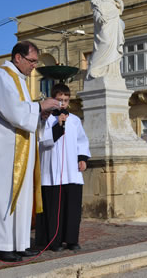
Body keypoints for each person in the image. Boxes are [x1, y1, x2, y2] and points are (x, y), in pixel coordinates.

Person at [0, 41, 61, 262]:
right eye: (32, 61)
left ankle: (19, 243)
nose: (34, 66)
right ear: (18, 58)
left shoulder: (18, 79)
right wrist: (39, 106)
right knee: (3, 195)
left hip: (19, 148)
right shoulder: (1, 76)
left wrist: (41, 115)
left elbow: (24, 114)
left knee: (20, 196)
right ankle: (1, 244)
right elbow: (11, 110)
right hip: (2, 150)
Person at [35, 84, 91, 252]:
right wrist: (58, 126)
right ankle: (54, 240)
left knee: (72, 208)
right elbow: (43, 140)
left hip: (72, 172)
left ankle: (72, 239)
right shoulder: (45, 119)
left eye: (66, 100)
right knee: (54, 209)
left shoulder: (74, 120)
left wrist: (82, 158)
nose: (63, 104)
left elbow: (82, 140)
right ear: (53, 100)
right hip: (52, 171)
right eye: (59, 100)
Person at [87, 0, 125, 79]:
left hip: (114, 18)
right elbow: (95, 2)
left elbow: (117, 1)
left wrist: (120, 4)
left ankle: (111, 71)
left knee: (114, 46)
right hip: (104, 17)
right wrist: (98, 15)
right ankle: (96, 69)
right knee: (106, 42)